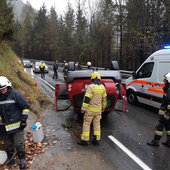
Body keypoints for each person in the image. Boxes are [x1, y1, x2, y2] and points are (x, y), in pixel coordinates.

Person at [0, 76, 30, 169]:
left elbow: (25, 107)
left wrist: (23, 120)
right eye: (0, 89)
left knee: (19, 143)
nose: (2, 90)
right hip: (5, 127)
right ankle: (11, 158)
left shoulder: (15, 95)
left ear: (8, 86)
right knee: (8, 144)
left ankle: (22, 159)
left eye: (3, 88)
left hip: (18, 126)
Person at [78, 72, 107, 146]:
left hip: (90, 110)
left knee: (86, 124)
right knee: (97, 124)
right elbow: (104, 98)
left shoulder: (91, 87)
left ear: (92, 79)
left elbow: (87, 99)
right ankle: (96, 140)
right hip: (98, 110)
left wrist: (83, 108)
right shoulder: (102, 87)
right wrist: (104, 106)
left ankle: (85, 140)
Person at [147, 73, 170, 147]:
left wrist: (168, 112)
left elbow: (169, 102)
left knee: (159, 126)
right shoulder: (168, 88)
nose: (164, 80)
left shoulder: (168, 89)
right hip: (167, 112)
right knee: (168, 126)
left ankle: (155, 141)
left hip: (165, 112)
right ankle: (169, 142)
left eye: (165, 79)